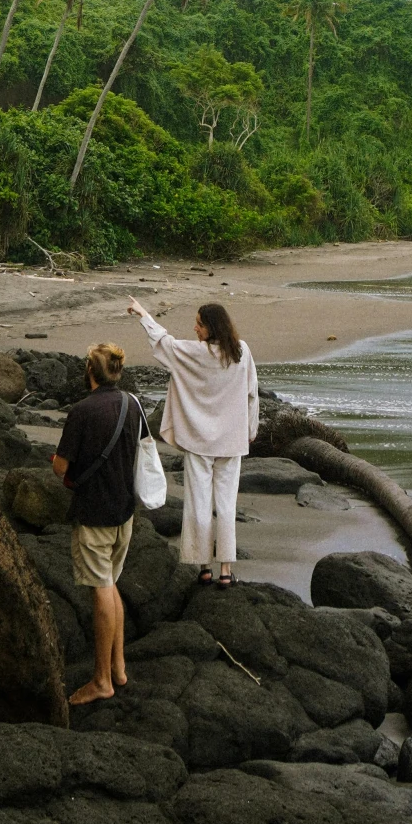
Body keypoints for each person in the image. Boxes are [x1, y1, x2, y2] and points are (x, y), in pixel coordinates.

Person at [126, 296, 257, 585]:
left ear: (211, 327)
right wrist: (250, 430)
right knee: (225, 505)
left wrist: (143, 314)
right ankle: (225, 571)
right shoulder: (241, 351)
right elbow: (252, 393)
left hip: (200, 440)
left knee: (199, 502)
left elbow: (164, 343)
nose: (194, 328)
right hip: (231, 441)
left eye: (199, 324)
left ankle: (204, 567)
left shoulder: (195, 353)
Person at [51, 339, 141, 704]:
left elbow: (61, 467)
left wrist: (56, 462)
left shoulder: (82, 411)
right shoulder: (132, 404)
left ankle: (102, 680)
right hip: (125, 509)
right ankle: (118, 667)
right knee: (111, 582)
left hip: (95, 512)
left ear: (89, 370)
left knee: (101, 588)